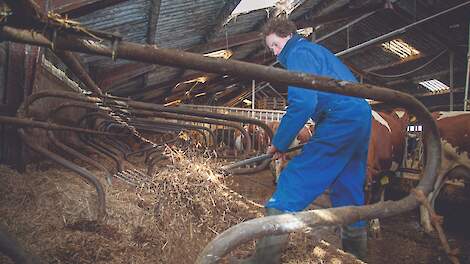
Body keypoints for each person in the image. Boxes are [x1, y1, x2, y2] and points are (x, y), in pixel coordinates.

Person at [236, 18, 372, 263]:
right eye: (272, 49)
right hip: (360, 116)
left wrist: (279, 142)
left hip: (339, 118)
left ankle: (264, 260)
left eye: (276, 46)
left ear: (287, 36)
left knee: (292, 181)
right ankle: (356, 258)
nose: (276, 53)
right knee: (348, 188)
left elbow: (303, 102)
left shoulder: (298, 52)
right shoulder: (316, 51)